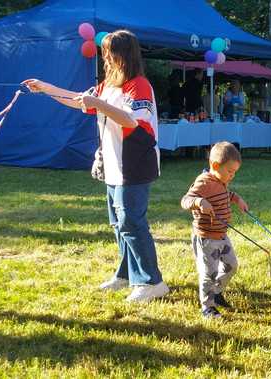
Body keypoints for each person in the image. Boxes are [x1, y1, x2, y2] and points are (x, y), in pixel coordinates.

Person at [23, 30, 169, 302]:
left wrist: (98, 103)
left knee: (132, 223)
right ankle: (126, 275)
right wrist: (45, 88)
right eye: (105, 52)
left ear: (123, 55)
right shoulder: (107, 86)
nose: (106, 58)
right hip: (114, 166)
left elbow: (131, 121)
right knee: (119, 224)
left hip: (135, 165)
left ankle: (152, 281)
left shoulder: (139, 86)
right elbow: (77, 100)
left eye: (110, 52)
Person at [180, 142, 248, 318]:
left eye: (234, 172)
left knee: (231, 265)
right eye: (230, 171)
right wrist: (199, 202)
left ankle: (216, 293)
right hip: (207, 238)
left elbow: (225, 194)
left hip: (221, 235)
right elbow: (186, 200)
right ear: (215, 166)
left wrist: (237, 199)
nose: (232, 176)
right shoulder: (204, 182)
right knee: (209, 273)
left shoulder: (220, 180)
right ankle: (207, 306)